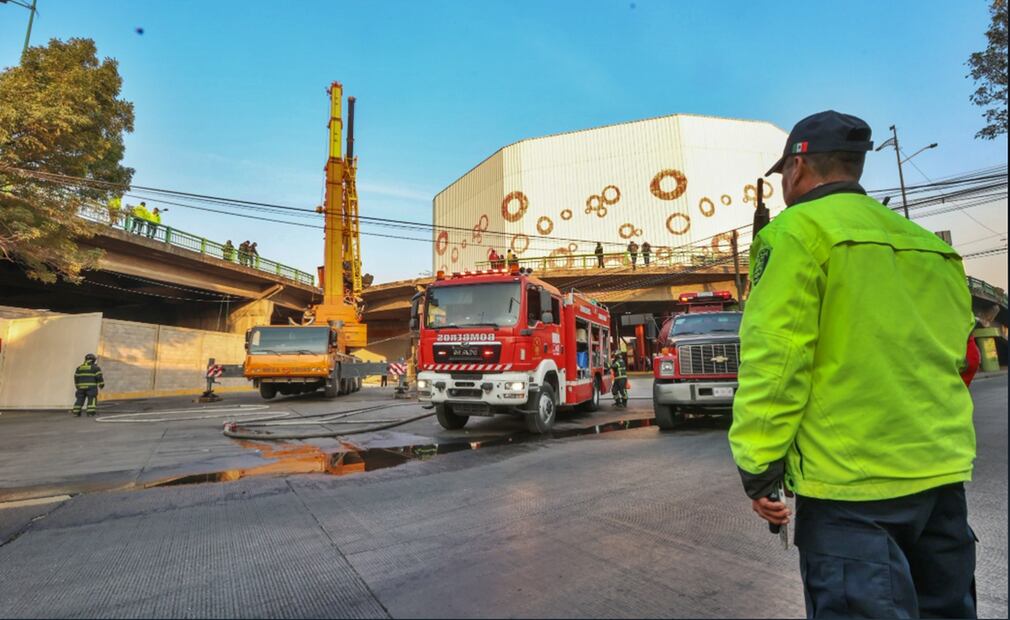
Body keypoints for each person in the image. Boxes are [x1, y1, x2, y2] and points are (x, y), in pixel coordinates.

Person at [728, 110, 978, 619]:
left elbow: (777, 360)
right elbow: (960, 357)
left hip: (850, 492)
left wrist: (758, 467)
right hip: (940, 478)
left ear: (797, 168)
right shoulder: (932, 248)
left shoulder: (795, 233)